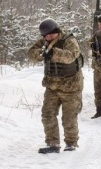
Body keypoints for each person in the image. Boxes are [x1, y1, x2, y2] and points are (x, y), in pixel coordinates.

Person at [28, 18, 84, 154]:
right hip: (52, 86)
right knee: (47, 115)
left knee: (69, 117)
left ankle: (71, 143)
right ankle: (53, 143)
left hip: (71, 87)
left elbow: (70, 56)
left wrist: (52, 53)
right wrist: (41, 53)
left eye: (50, 35)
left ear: (56, 31)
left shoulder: (69, 40)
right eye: (45, 36)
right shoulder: (45, 41)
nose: (47, 38)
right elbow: (31, 52)